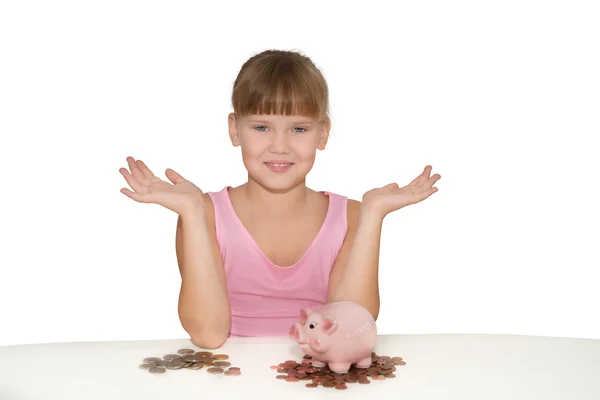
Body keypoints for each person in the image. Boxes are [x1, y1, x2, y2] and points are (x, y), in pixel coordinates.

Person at [119, 49, 441, 349]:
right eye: (262, 127)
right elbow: (208, 334)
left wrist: (373, 215)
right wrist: (191, 212)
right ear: (235, 130)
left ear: (323, 134)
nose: (280, 147)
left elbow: (346, 333)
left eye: (299, 129)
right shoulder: (205, 214)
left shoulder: (352, 217)